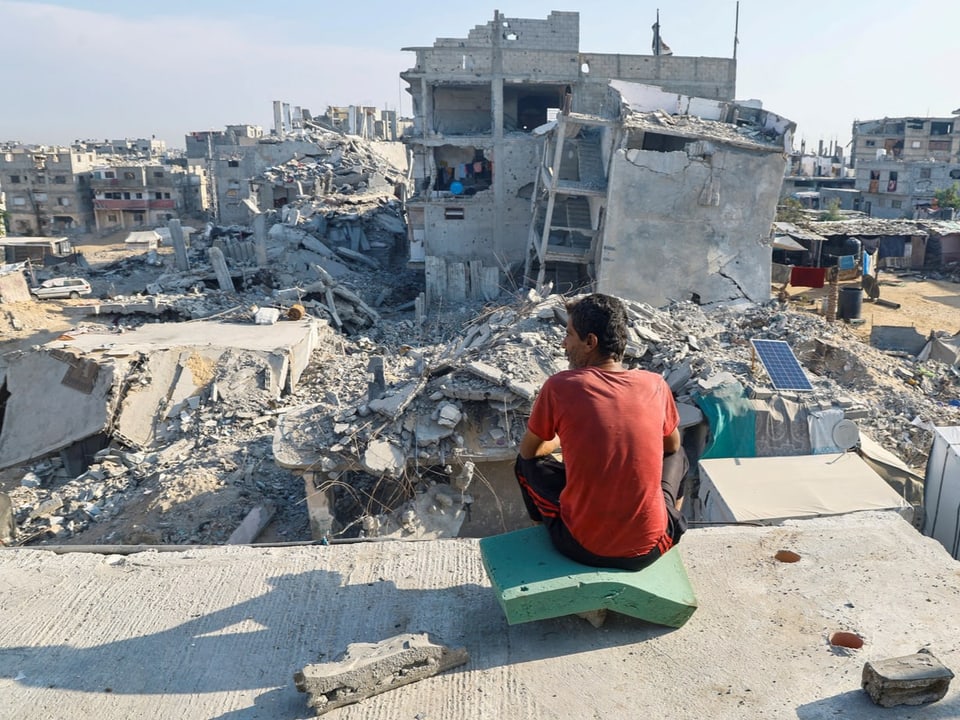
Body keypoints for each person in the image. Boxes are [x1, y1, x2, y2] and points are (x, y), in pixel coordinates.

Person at [515, 293, 688, 570]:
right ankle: (668, 519)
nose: (564, 343)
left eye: (569, 335)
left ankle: (547, 534)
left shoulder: (560, 386)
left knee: (524, 466)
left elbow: (529, 452)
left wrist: (563, 438)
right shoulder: (655, 384)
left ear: (590, 342)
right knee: (679, 455)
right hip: (649, 550)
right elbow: (671, 447)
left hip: (582, 547)